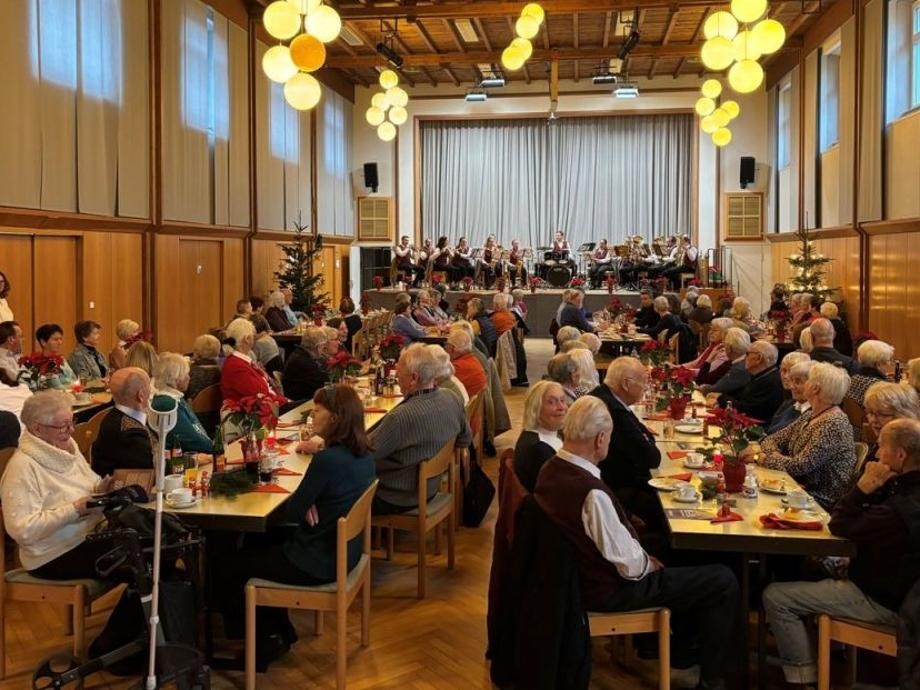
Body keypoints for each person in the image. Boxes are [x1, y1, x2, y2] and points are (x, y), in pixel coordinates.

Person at [533, 396, 739, 690]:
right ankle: (714, 680)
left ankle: (670, 649)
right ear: (601, 438)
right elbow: (628, 567)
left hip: (574, 577)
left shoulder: (551, 468)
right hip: (607, 589)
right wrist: (647, 563)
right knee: (722, 579)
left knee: (676, 549)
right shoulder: (590, 493)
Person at [221, 384, 375, 670]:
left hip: (317, 560)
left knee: (231, 564)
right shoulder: (365, 453)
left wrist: (304, 502)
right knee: (258, 545)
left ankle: (261, 644)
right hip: (345, 553)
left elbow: (292, 512)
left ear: (335, 418)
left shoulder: (327, 460)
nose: (312, 417)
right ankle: (279, 631)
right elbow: (303, 507)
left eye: (317, 412)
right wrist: (311, 500)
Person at [762, 418, 920, 688]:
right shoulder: (901, 488)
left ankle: (803, 679)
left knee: (776, 596)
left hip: (883, 600)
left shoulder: (901, 507)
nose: (877, 454)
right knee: (808, 566)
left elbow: (840, 525)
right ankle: (825, 652)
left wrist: (864, 487)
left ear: (900, 455)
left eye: (880, 447)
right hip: (892, 586)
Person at [0, 391, 116, 577]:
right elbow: (23, 530)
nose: (71, 431)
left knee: (153, 544)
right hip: (52, 554)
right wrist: (75, 509)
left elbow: (85, 482)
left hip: (87, 534)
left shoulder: (66, 446)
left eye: (72, 422)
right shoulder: (22, 467)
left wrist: (99, 488)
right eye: (63, 426)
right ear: (37, 429)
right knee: (138, 555)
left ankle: (141, 604)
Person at [370, 344, 471, 514]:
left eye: (399, 375)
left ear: (414, 378)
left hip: (395, 495)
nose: (397, 379)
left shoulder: (401, 417)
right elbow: (464, 440)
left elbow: (364, 455)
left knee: (338, 493)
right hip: (431, 488)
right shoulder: (451, 397)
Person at [742, 362, 856, 510]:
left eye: (807, 379)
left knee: (751, 501)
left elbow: (800, 466)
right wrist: (774, 455)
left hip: (817, 499)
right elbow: (771, 440)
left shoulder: (834, 423)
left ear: (815, 388)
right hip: (794, 486)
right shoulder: (810, 415)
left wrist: (762, 458)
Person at [589, 357, 663, 528]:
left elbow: (645, 434)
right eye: (644, 382)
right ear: (626, 383)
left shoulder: (603, 394)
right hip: (617, 490)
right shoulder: (613, 409)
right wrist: (647, 438)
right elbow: (651, 457)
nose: (645, 387)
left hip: (609, 482)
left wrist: (646, 437)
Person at [91, 368, 153, 477]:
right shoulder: (130, 433)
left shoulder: (113, 416)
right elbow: (148, 476)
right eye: (149, 386)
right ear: (141, 395)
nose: (152, 391)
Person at [512, 381, 566, 493]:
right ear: (535, 408)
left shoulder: (551, 433)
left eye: (562, 400)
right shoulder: (538, 449)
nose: (561, 407)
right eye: (552, 402)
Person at [151, 353, 213, 453]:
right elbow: (190, 439)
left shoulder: (173, 397)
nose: (189, 378)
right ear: (174, 376)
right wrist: (216, 449)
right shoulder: (166, 403)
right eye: (185, 374)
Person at [717, 341, 784, 423]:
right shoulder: (760, 375)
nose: (745, 358)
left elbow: (746, 410)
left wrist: (721, 398)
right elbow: (740, 395)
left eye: (747, 354)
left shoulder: (771, 381)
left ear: (759, 358)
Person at [862, 382, 920, 458]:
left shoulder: (910, 452)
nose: (873, 420)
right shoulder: (886, 439)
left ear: (905, 415)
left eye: (883, 414)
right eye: (870, 413)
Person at [220, 318, 273, 401]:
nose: (255, 338)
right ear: (247, 339)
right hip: (256, 409)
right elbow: (260, 393)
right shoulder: (236, 366)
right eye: (253, 335)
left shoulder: (241, 361)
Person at [698, 327, 752, 397]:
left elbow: (715, 389)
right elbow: (705, 380)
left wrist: (703, 387)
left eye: (724, 344)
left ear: (729, 349)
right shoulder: (735, 361)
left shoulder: (738, 368)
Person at [281, 327, 329, 403]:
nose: (324, 350)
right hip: (301, 402)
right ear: (317, 347)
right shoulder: (303, 362)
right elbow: (324, 382)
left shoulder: (300, 353)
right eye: (323, 347)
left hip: (302, 396)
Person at [767, 355, 813, 433]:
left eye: (798, 381)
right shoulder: (789, 403)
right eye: (783, 370)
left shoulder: (814, 413)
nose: (786, 376)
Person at [844, 339, 894, 407]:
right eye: (889, 360)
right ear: (878, 365)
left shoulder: (854, 378)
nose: (890, 364)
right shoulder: (880, 387)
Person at [688, 317, 733, 382]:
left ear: (725, 333)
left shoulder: (724, 351)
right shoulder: (713, 346)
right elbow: (695, 363)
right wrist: (676, 367)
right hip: (698, 377)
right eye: (711, 329)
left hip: (705, 383)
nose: (711, 332)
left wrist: (683, 371)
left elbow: (706, 371)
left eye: (715, 330)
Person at [445, 329, 487, 399]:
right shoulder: (472, 359)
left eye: (446, 345)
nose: (445, 348)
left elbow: (439, 387)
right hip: (476, 405)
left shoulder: (457, 367)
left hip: (469, 408)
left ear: (453, 349)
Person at [34, 324, 77, 389]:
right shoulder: (40, 363)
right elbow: (57, 388)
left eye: (60, 339)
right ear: (43, 342)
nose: (60, 342)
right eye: (56, 339)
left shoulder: (61, 360)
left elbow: (74, 379)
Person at [186, 334, 222, 401]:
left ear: (196, 352)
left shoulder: (192, 372)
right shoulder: (221, 371)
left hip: (193, 409)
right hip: (216, 409)